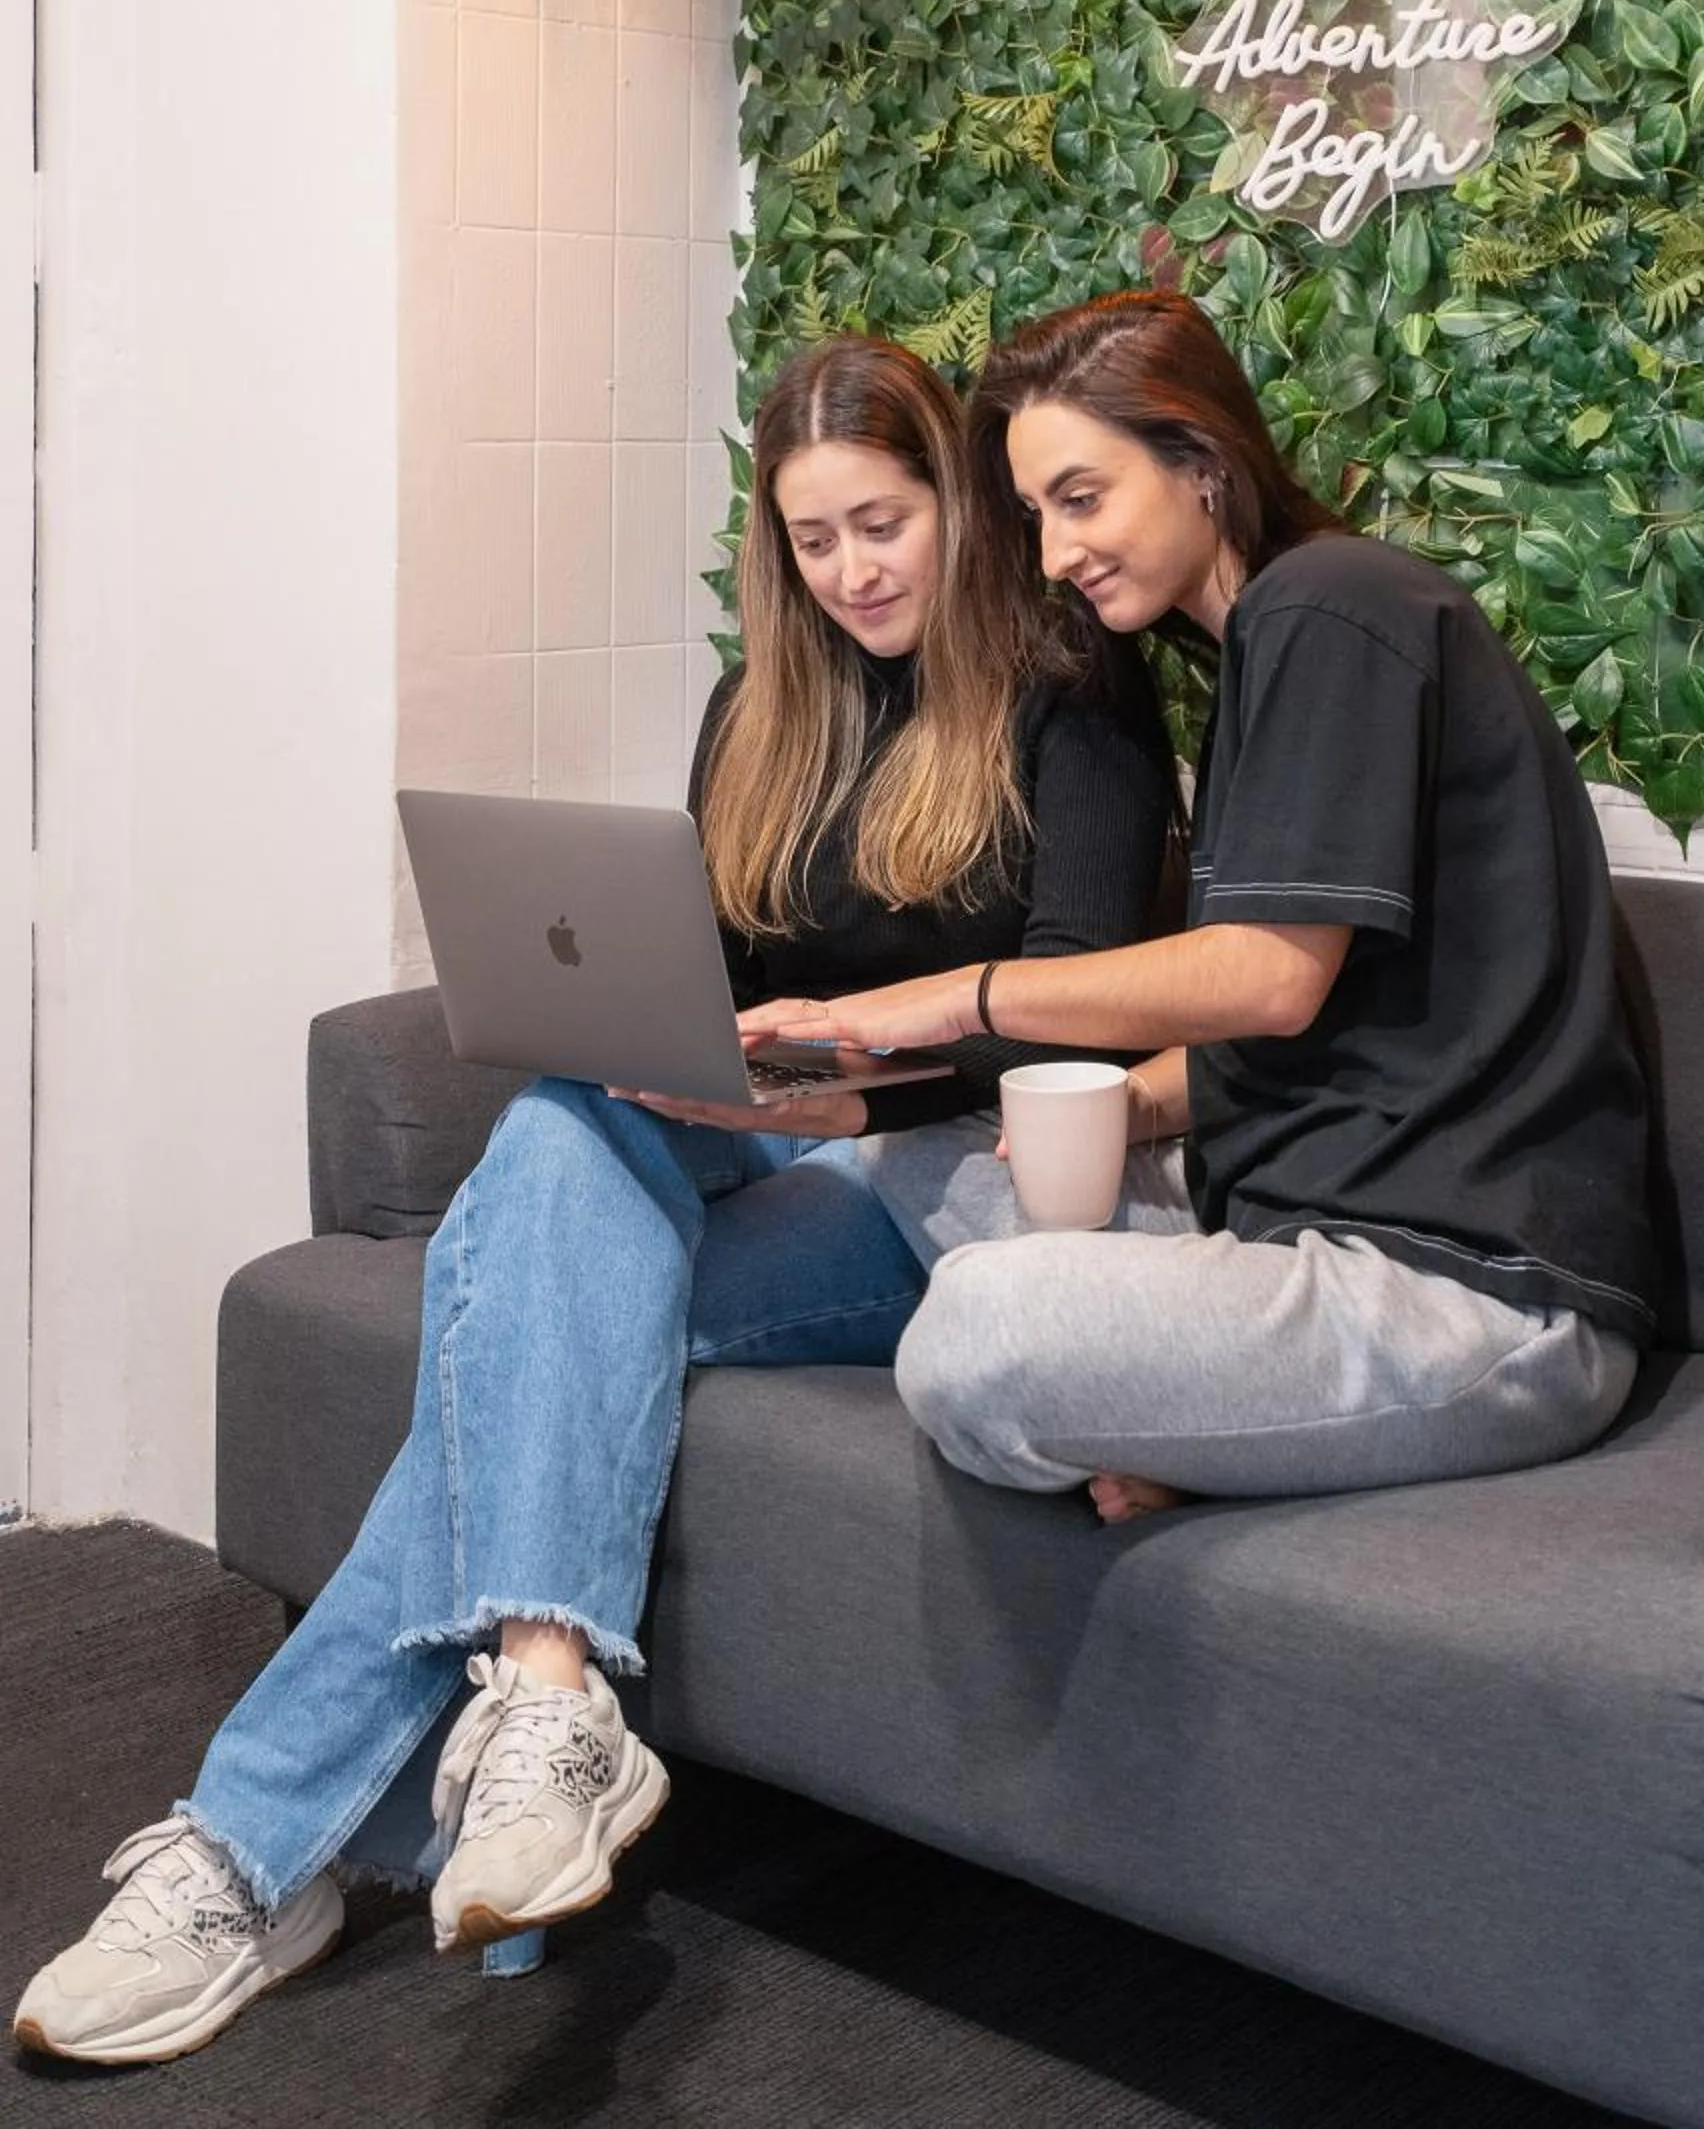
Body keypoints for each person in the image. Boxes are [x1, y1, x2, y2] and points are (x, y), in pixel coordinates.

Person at [15, 335, 1174, 2068]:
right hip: (766, 1128)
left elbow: (1072, 1011)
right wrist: (669, 1046)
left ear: (956, 501)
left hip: (944, 1174)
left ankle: (253, 1852)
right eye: (814, 538)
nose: (855, 569)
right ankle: (550, 1701)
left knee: (517, 1317)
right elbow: (704, 976)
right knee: (565, 1129)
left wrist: (846, 1079)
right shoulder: (759, 709)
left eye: (886, 521)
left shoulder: (1071, 697)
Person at [773, 290, 1657, 1527]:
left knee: (973, 1335)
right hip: (1287, 1216)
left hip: (1475, 1293)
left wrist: (948, 1000)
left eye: (1080, 500)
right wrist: (1127, 1102)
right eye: (1033, 517)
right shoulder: (1263, 650)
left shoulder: (1332, 606)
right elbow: (1325, 1012)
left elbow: (1267, 977)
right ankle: (1190, 1413)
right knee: (917, 1154)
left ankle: (1184, 1420)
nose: (1051, 556)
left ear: (1198, 463)